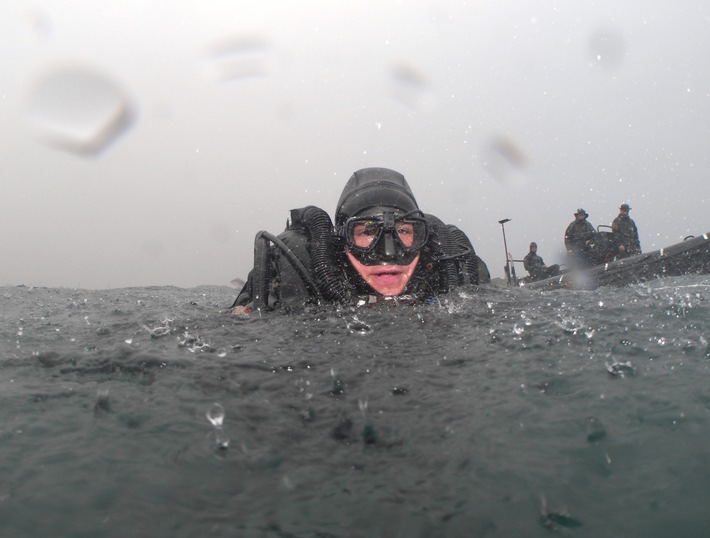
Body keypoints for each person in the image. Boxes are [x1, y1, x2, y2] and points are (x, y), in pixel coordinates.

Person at [231, 167, 489, 313]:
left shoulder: (449, 278)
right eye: (367, 232)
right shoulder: (306, 277)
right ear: (342, 240)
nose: (389, 253)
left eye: (404, 231)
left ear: (422, 236)